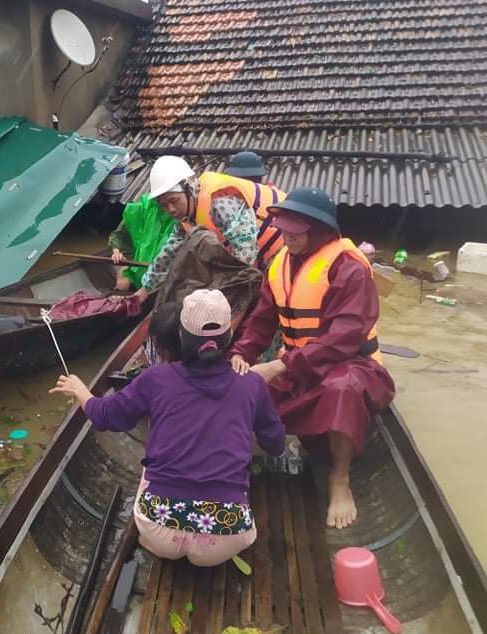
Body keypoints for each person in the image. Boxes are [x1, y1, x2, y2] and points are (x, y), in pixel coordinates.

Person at [50, 289, 286, 567]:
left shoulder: (156, 378)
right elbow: (276, 444)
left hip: (160, 528)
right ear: (229, 339)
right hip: (225, 536)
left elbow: (105, 416)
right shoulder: (252, 384)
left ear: (181, 336)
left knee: (150, 469)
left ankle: (153, 543)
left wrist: (80, 391)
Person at [228, 186, 395, 530]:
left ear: (320, 229)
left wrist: (279, 365)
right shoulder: (279, 265)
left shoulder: (349, 269)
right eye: (284, 230)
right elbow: (260, 321)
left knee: (341, 389)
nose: (287, 237)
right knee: (238, 392)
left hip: (353, 366)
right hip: (298, 364)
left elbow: (343, 338)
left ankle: (339, 477)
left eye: (296, 230)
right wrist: (240, 354)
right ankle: (230, 468)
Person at [132, 155, 286, 305]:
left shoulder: (220, 202)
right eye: (164, 205)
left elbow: (245, 248)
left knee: (272, 304)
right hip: (261, 255)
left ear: (189, 189)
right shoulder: (186, 219)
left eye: (174, 201)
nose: (171, 209)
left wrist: (226, 294)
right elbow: (169, 253)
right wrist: (145, 290)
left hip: (284, 248)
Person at [108, 193, 175, 291]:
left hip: (164, 267)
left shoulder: (178, 214)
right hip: (137, 262)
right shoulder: (140, 209)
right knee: (123, 282)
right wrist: (116, 252)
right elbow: (118, 235)